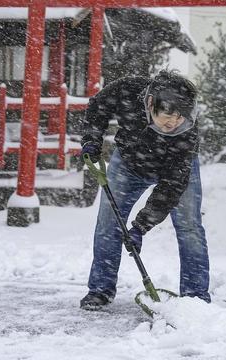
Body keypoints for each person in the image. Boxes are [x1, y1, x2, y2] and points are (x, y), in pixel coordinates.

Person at [79, 70, 210, 310]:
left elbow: (171, 187)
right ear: (150, 103)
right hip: (129, 164)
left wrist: (140, 227)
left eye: (180, 117)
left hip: (174, 168)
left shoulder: (187, 136)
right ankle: (100, 289)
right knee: (109, 223)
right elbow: (98, 106)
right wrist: (92, 139)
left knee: (189, 226)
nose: (174, 122)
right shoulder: (128, 90)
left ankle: (196, 297)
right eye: (168, 115)